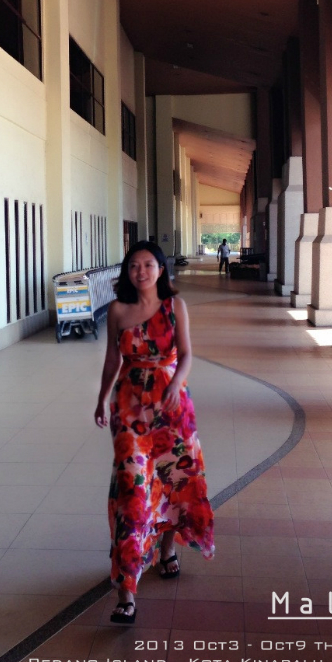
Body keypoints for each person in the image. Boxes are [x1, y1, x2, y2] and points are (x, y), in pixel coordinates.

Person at [94, 240, 215, 624]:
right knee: (132, 487)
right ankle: (127, 590)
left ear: (161, 270)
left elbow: (187, 353)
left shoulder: (175, 306)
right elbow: (113, 358)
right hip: (129, 406)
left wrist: (176, 382)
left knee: (174, 479)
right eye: (134, 265)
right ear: (127, 272)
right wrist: (101, 399)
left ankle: (167, 549)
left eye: (148, 264)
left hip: (172, 405)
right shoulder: (118, 310)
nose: (141, 271)